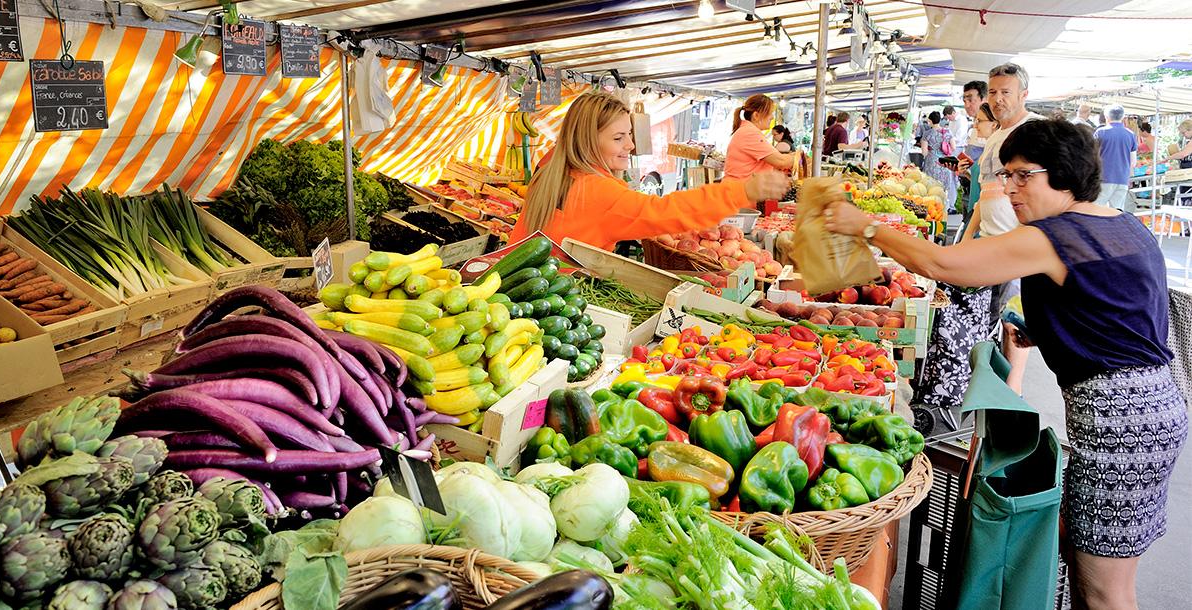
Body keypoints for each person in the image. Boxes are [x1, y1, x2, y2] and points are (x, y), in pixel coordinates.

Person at [822, 118, 1186, 610]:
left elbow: (944, 265)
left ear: (1064, 173)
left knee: (1104, 590)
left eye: (1023, 176)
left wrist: (866, 226)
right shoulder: (1122, 224)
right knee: (1092, 568)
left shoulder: (1057, 235)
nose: (1008, 189)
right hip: (1151, 407)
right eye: (1007, 175)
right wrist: (1049, 328)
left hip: (1118, 420)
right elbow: (1124, 309)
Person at [508, 92, 791, 251]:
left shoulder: (548, 169)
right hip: (554, 308)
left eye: (629, 135)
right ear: (587, 139)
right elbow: (668, 212)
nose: (630, 145)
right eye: (618, 138)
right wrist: (741, 191)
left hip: (523, 293)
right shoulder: (597, 192)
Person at [960, 62, 1044, 393]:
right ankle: (997, 384)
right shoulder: (995, 134)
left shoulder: (1034, 131)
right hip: (991, 243)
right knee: (995, 318)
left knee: (1015, 320)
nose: (997, 99)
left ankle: (1013, 389)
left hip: (1019, 245)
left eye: (1005, 92)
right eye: (992, 92)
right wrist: (966, 239)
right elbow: (984, 198)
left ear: (1024, 94)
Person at [724, 95, 797, 180]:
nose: (772, 117)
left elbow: (774, 161)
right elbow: (781, 162)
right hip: (740, 189)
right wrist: (799, 156)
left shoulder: (747, 131)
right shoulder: (750, 133)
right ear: (756, 115)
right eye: (770, 113)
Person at [1093, 104, 1137, 211]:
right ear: (1123, 117)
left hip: (1104, 177)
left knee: (1097, 209)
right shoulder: (1130, 134)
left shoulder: (1101, 132)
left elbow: (1093, 156)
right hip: (1122, 178)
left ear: (1106, 117)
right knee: (1117, 211)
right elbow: (1133, 162)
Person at [919, 111, 958, 211]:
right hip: (944, 162)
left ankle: (931, 209)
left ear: (931, 121)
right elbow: (953, 147)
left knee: (930, 187)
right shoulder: (947, 132)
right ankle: (943, 209)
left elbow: (924, 152)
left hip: (931, 162)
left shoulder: (927, 134)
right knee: (943, 189)